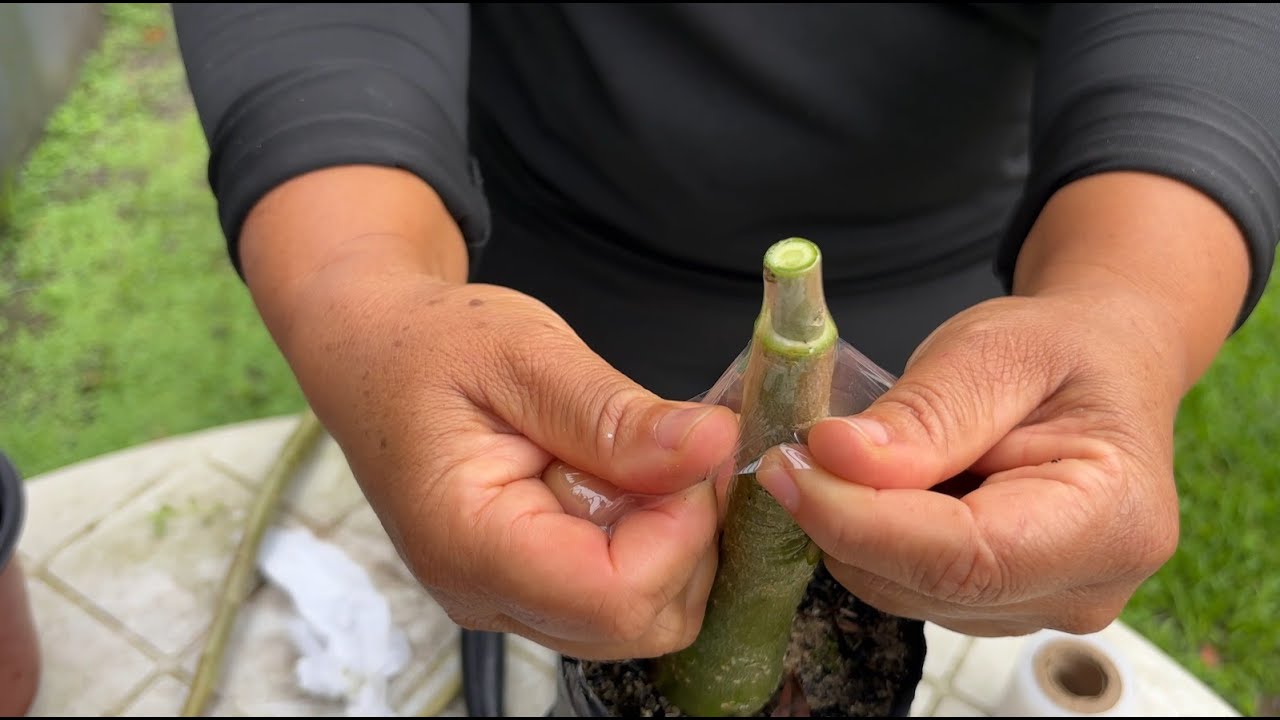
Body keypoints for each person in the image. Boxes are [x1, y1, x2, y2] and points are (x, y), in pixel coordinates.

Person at [171, 3, 1279, 662]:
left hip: (945, 333)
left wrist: (1125, 309)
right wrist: (365, 303)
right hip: (524, 287)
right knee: (552, 601)